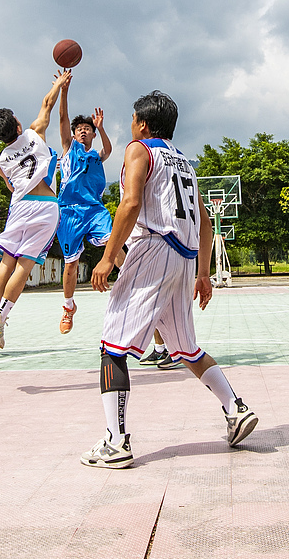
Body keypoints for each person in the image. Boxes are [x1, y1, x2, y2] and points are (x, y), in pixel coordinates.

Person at [81, 91, 258, 469]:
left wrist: (109, 255)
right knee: (185, 349)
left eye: (132, 119)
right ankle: (235, 408)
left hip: (153, 250)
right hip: (184, 257)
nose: (130, 125)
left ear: (142, 124)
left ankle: (116, 442)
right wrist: (204, 272)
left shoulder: (139, 149)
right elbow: (206, 223)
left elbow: (129, 203)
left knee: (112, 348)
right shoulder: (186, 164)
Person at [0, 70, 71, 348]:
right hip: (45, 207)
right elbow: (47, 104)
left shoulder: (1, 161)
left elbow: (9, 186)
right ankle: (1, 318)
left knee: (7, 261)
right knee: (25, 264)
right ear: (18, 125)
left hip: (19, 206)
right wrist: (59, 83)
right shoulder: (34, 133)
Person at [54, 75, 118, 334]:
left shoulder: (96, 155)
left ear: (92, 133)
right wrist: (64, 91)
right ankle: (68, 307)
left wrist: (101, 128)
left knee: (113, 240)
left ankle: (131, 278)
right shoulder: (69, 148)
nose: (82, 130)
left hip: (94, 210)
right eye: (79, 127)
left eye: (87, 128)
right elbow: (61, 119)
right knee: (70, 264)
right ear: (73, 133)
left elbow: (109, 150)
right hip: (68, 212)